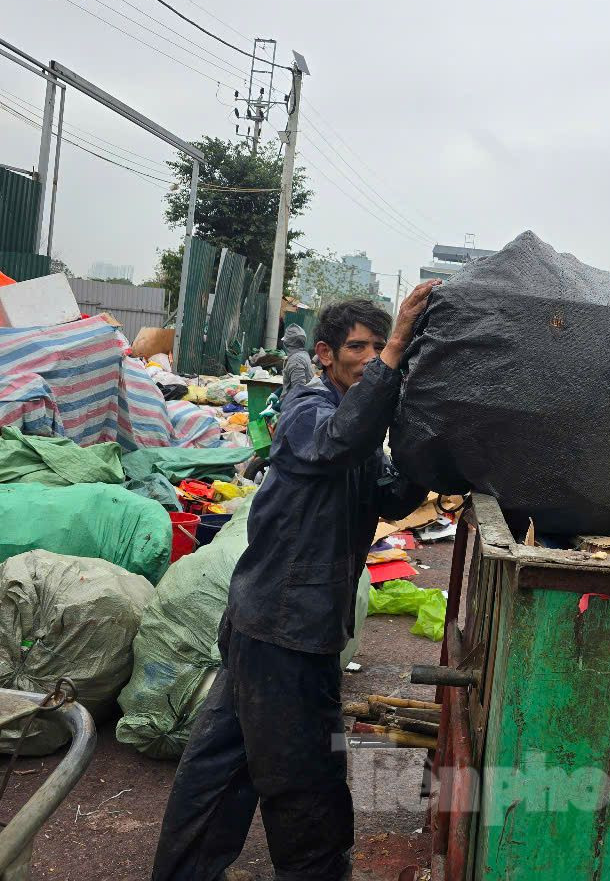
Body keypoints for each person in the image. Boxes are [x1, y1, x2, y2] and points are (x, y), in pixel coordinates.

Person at [152, 283, 440, 881]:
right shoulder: (310, 411)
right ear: (327, 356)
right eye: (359, 347)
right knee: (306, 778)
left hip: (271, 627)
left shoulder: (357, 427)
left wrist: (429, 449)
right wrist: (394, 359)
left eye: (379, 346)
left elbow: (389, 491)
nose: (370, 356)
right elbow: (340, 442)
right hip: (286, 631)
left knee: (223, 766)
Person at [280, 323, 316, 394]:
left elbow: (298, 392)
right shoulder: (303, 355)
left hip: (291, 404)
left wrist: (278, 405)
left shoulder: (296, 360)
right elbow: (291, 382)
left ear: (288, 342)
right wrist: (277, 393)